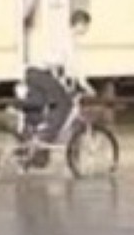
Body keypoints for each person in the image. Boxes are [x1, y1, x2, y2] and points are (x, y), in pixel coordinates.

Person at [24, 9, 94, 145]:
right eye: (86, 26)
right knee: (64, 104)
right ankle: (46, 135)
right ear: (79, 24)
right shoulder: (68, 39)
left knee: (51, 104)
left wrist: (67, 83)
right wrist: (85, 85)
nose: (86, 30)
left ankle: (38, 139)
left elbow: (62, 67)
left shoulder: (62, 36)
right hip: (40, 73)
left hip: (34, 73)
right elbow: (72, 65)